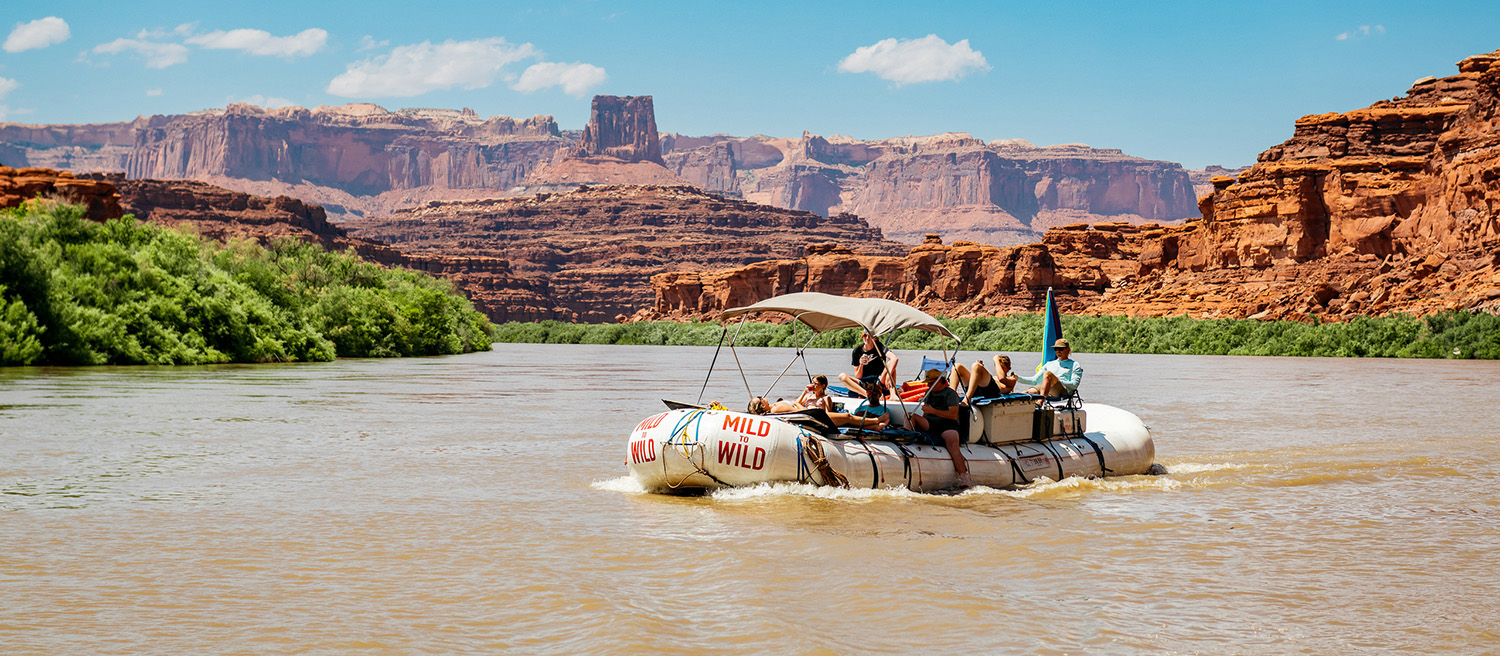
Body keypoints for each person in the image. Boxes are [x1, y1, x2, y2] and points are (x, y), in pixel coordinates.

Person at [907, 369, 971, 487]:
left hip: (948, 425)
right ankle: (907, 441)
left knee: (953, 445)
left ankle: (963, 477)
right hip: (931, 423)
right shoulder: (929, 393)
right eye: (928, 383)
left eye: (931, 383)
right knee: (910, 416)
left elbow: (953, 415)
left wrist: (933, 411)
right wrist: (925, 415)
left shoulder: (950, 394)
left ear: (940, 381)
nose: (928, 385)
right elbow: (925, 414)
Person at [838, 331, 898, 398]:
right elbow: (858, 376)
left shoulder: (879, 347)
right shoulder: (857, 351)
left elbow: (894, 358)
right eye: (865, 336)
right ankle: (868, 395)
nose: (866, 338)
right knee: (842, 376)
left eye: (869, 336)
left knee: (892, 365)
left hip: (879, 380)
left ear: (875, 338)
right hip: (864, 383)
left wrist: (888, 376)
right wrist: (861, 365)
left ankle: (893, 394)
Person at [1017, 339, 1084, 399]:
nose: (1058, 351)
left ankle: (1041, 400)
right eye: (1056, 349)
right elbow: (1034, 380)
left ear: (1068, 349)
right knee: (1026, 392)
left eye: (1061, 349)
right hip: (1047, 388)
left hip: (1063, 390)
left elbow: (1074, 385)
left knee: (1047, 373)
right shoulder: (1049, 364)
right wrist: (1017, 378)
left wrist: (1056, 380)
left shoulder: (1075, 365)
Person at [951, 354, 1019, 405]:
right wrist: (978, 369)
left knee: (976, 366)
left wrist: (996, 360)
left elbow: (1001, 378)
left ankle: (967, 399)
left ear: (1008, 368)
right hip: (978, 389)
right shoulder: (994, 377)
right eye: (998, 367)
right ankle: (950, 396)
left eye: (1001, 367)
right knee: (957, 366)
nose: (998, 369)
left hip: (992, 391)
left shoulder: (1012, 380)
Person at [826, 384, 893, 430]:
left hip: (853, 422)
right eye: (869, 393)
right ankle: (874, 426)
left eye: (874, 393)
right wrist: (859, 415)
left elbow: (885, 422)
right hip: (854, 422)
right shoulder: (862, 407)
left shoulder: (884, 410)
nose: (871, 395)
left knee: (847, 416)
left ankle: (876, 422)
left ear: (880, 395)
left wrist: (871, 415)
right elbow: (855, 419)